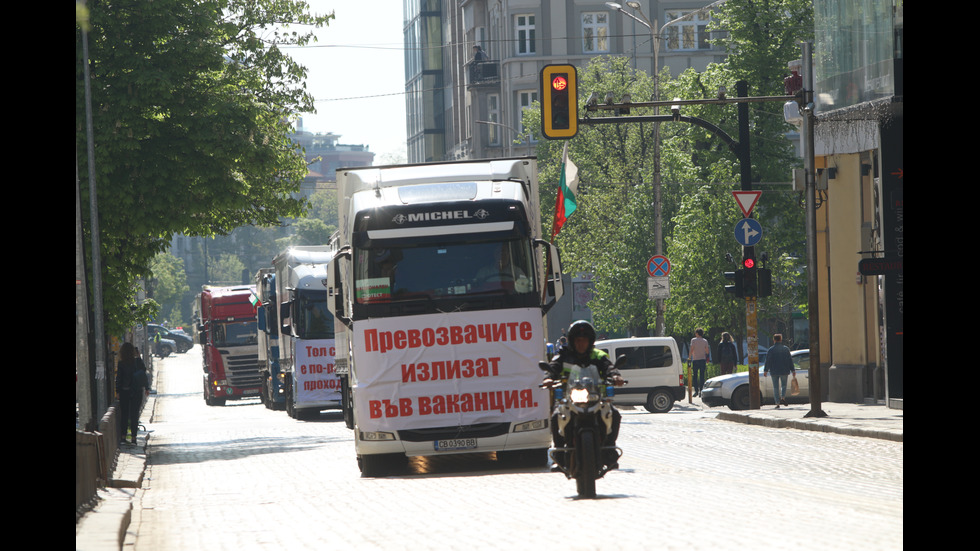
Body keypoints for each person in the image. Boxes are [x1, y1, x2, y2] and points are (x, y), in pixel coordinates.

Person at [543, 320, 624, 469]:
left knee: (615, 414)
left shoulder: (598, 355)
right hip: (570, 398)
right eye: (578, 340)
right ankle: (559, 456)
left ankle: (609, 451)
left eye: (584, 340)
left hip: (595, 397)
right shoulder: (563, 355)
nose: (581, 344)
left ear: (590, 341)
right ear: (572, 341)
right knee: (556, 416)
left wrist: (616, 376)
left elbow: (609, 367)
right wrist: (548, 378)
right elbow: (554, 366)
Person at [116, 342, 150, 444]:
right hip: (136, 391)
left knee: (124, 415)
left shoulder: (121, 363)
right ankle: (134, 438)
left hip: (124, 391)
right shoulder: (137, 362)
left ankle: (123, 437)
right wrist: (139, 357)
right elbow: (143, 373)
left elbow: (119, 378)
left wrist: (117, 391)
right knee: (135, 415)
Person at [763, 334, 795, 408]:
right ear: (781, 339)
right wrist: (793, 370)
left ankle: (777, 403)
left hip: (774, 371)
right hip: (784, 370)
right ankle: (783, 397)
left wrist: (765, 370)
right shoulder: (786, 349)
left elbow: (768, 361)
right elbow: (790, 360)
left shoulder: (771, 349)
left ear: (774, 340)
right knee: (784, 385)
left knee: (775, 387)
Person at [689, 328, 710, 396]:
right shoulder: (705, 341)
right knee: (702, 376)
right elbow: (707, 351)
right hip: (702, 360)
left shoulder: (693, 340)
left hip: (695, 360)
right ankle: (701, 391)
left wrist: (689, 357)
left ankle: (696, 391)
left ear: (697, 333)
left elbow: (691, 349)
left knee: (695, 376)